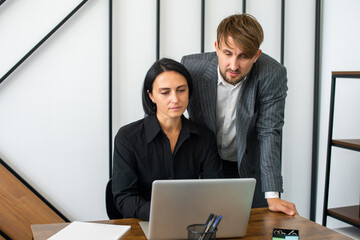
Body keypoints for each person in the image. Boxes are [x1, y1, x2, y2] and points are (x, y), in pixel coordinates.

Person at [181, 13, 298, 215]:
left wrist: (272, 195)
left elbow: (269, 132)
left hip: (247, 167)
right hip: (204, 165)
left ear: (256, 55)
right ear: (216, 47)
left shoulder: (272, 73)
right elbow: (170, 113)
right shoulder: (192, 68)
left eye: (243, 56)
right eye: (227, 53)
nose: (234, 65)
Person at [112, 58, 223, 220]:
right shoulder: (127, 138)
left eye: (181, 90)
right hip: (144, 223)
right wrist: (163, 213)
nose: (175, 99)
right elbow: (124, 197)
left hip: (191, 223)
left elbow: (215, 191)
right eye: (165, 92)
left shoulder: (204, 138)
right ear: (151, 95)